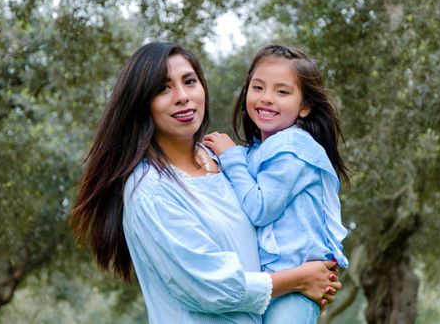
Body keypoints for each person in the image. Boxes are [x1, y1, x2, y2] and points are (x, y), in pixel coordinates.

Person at [69, 42, 341, 324]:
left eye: (190, 81)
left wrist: (308, 290)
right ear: (142, 103)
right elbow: (213, 288)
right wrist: (300, 279)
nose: (182, 96)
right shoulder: (151, 190)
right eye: (164, 88)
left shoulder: (224, 161)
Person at [203, 45, 350, 323]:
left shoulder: (294, 148)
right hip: (274, 283)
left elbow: (260, 208)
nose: (267, 99)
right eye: (258, 88)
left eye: (282, 92)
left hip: (296, 286)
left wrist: (231, 157)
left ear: (305, 106)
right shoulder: (259, 151)